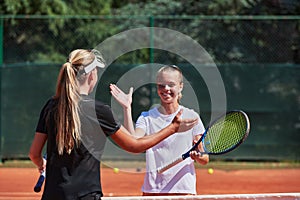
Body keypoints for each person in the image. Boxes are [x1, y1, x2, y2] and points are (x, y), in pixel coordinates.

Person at [28, 50, 199, 200]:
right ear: (92, 75)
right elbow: (134, 145)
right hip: (86, 194)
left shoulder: (50, 106)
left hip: (52, 194)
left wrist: (41, 164)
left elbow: (34, 153)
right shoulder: (99, 110)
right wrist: (173, 128)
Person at [110, 65, 209, 196]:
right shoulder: (147, 117)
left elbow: (205, 158)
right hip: (152, 191)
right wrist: (127, 108)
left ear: (180, 86)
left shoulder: (192, 117)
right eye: (161, 85)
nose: (166, 89)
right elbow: (133, 140)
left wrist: (198, 156)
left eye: (171, 84)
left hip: (183, 191)